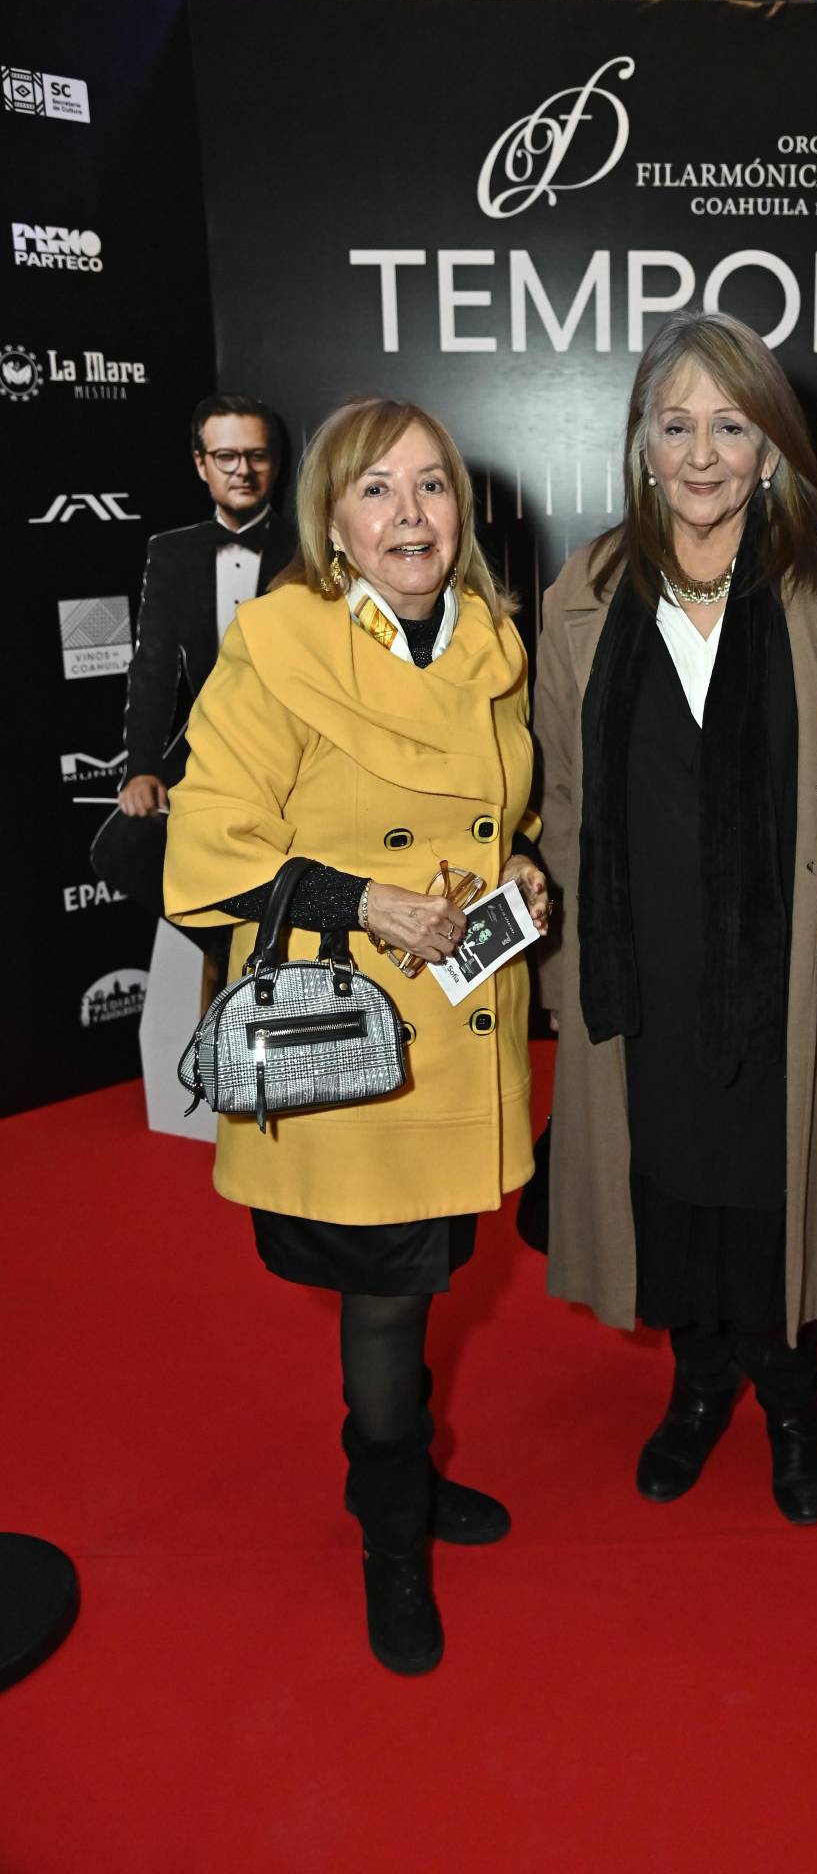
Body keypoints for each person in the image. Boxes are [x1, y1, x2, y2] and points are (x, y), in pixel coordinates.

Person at [163, 397, 549, 1675]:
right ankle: (392, 1525)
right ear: (329, 517)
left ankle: (400, 1483)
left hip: (460, 1027)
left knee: (427, 1283)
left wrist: (527, 873)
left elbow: (498, 813)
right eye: (375, 490)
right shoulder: (276, 647)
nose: (409, 515)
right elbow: (206, 851)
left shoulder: (490, 641)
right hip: (351, 1039)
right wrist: (368, 898)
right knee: (385, 1304)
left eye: (431, 487)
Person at [534, 310, 817, 1524]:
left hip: (790, 960)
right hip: (642, 963)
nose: (701, 452)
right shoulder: (582, 593)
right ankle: (698, 1386)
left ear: (769, 449)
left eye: (729, 425)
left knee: (772, 1177)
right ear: (640, 440)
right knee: (673, 1181)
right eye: (675, 423)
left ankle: (792, 1396)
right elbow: (562, 798)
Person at [94, 394, 294, 929]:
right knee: (119, 848)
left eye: (257, 455)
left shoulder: (310, 548)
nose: (243, 470)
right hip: (207, 741)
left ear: (275, 463)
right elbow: (153, 667)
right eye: (226, 456)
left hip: (295, 744)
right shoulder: (172, 552)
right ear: (200, 463)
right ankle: (237, 946)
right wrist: (141, 766)